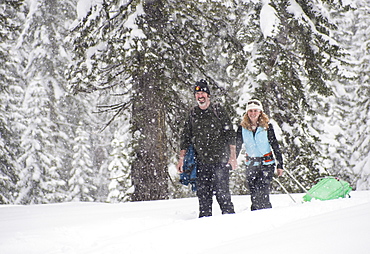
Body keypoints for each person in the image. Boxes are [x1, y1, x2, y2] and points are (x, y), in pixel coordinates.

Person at [177, 79, 236, 218]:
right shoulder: (193, 114)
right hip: (202, 163)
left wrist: (232, 157)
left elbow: (230, 133)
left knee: (223, 196)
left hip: (220, 162)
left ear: (208, 95)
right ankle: (204, 228)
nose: (200, 96)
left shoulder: (218, 110)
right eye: (197, 93)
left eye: (203, 92)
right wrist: (181, 159)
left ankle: (232, 225)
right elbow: (185, 137)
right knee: (203, 198)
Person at [236, 99, 284, 211]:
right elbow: (237, 146)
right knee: (253, 193)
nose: (253, 113)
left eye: (255, 111)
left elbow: (275, 146)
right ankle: (255, 215)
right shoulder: (242, 128)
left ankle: (267, 213)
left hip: (266, 164)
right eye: (250, 111)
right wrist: (232, 160)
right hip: (251, 164)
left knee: (262, 191)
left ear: (260, 112)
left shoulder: (267, 127)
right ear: (247, 113)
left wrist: (280, 164)